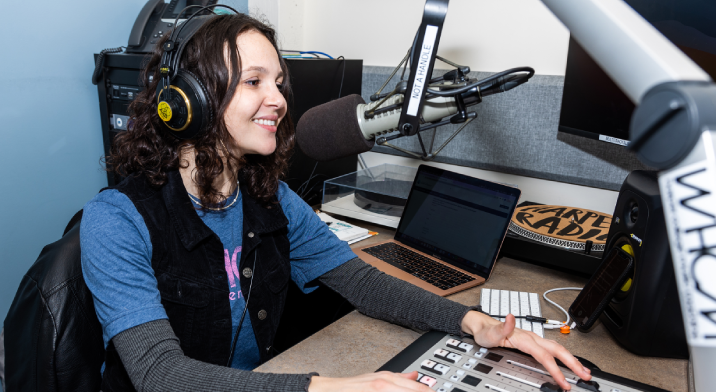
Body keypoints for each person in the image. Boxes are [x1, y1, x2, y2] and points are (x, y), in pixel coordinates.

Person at [81, 11, 591, 392]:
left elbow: (363, 284)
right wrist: (329, 386)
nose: (279, 99)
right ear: (187, 100)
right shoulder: (117, 220)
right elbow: (159, 375)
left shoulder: (269, 198)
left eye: (278, 82)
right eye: (253, 81)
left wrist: (471, 322)